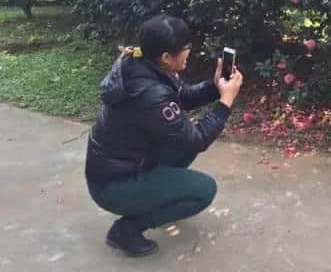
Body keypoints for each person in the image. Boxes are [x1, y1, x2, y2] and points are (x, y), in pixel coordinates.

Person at [84, 15, 243, 257]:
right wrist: (225, 102)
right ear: (166, 56)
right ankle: (126, 230)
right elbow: (198, 139)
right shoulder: (149, 93)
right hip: (113, 185)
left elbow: (183, 96)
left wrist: (214, 86)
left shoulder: (146, 65)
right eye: (186, 49)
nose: (189, 52)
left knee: (183, 145)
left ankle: (157, 197)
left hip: (122, 166)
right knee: (203, 190)